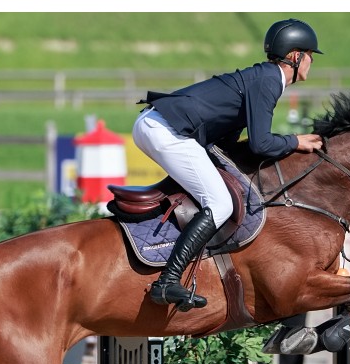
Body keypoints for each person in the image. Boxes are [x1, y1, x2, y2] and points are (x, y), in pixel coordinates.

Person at [134, 18, 324, 311]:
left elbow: (231, 140)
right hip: (165, 130)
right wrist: (295, 142)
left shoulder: (262, 77)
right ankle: (167, 281)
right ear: (296, 56)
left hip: (160, 126)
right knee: (220, 203)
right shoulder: (268, 80)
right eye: (311, 55)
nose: (312, 62)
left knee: (215, 190)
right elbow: (261, 144)